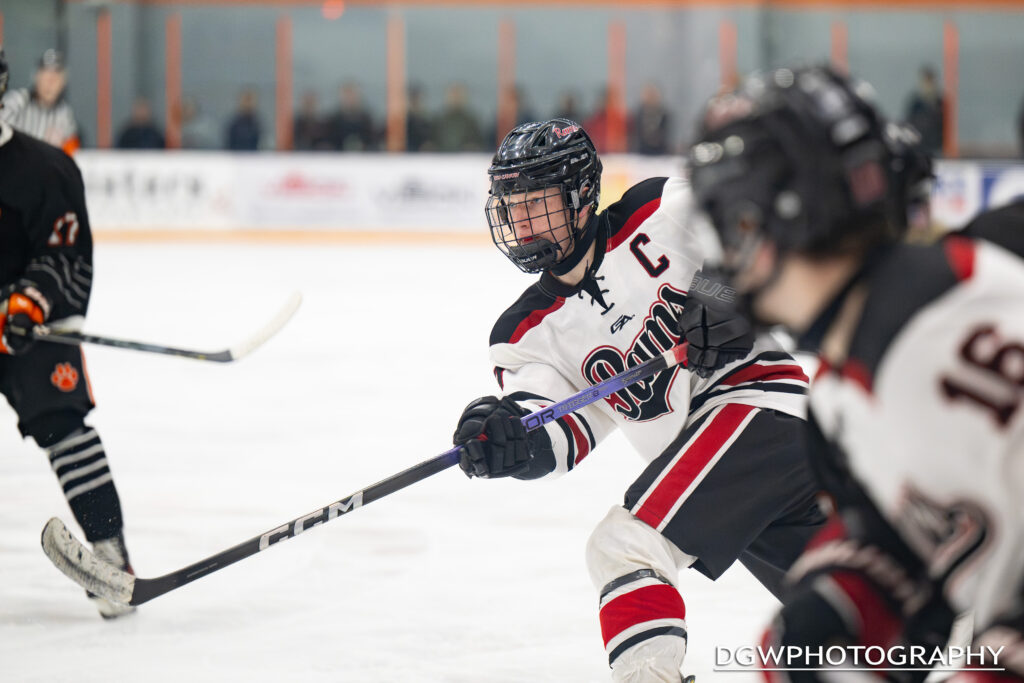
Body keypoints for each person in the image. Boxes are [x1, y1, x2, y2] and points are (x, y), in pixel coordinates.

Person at [452, 118, 826, 682]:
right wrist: (507, 439)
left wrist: (726, 292)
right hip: (717, 470)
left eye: (536, 203)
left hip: (762, 410)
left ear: (580, 197)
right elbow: (554, 430)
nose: (520, 221)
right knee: (853, 616)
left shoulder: (659, 211)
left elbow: (757, 214)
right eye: (510, 207)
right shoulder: (524, 334)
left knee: (624, 549)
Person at [688, 64, 1024, 681]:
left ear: (792, 211)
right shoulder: (837, 410)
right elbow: (911, 543)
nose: (722, 262)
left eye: (736, 225)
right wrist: (841, 604)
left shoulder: (996, 268)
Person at [0, 48, 134, 619]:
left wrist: (30, 300)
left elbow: (65, 249)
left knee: (64, 425)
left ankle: (109, 559)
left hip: (30, 329)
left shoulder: (44, 168)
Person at [0, 48, 79, 154]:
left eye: (55, 78)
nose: (50, 83)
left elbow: (68, 156)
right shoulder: (18, 101)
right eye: (46, 76)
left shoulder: (64, 114)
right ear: (36, 77)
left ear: (63, 82)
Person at [905, 65, 944, 156]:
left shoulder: (941, 104)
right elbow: (909, 125)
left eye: (930, 81)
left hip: (937, 150)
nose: (927, 85)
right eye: (925, 81)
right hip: (919, 149)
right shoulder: (915, 104)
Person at [325, 82, 376, 151]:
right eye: (346, 95)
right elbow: (329, 141)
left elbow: (371, 140)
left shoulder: (366, 119)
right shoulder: (333, 120)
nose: (349, 98)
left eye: (352, 94)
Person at [632, 83, 672, 155]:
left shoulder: (664, 115)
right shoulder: (639, 115)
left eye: (653, 95)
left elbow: (665, 135)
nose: (651, 98)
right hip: (642, 153)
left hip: (660, 153)